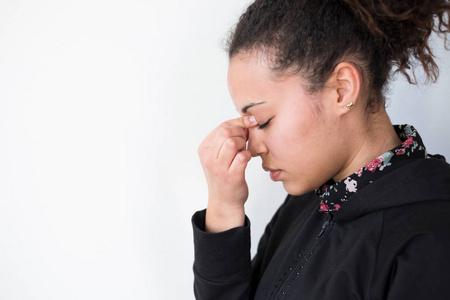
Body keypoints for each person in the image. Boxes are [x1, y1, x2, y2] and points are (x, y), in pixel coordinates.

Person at [192, 0, 450, 299]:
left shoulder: (432, 240)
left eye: (262, 121)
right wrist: (224, 208)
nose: (253, 147)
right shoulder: (305, 205)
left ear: (342, 89)